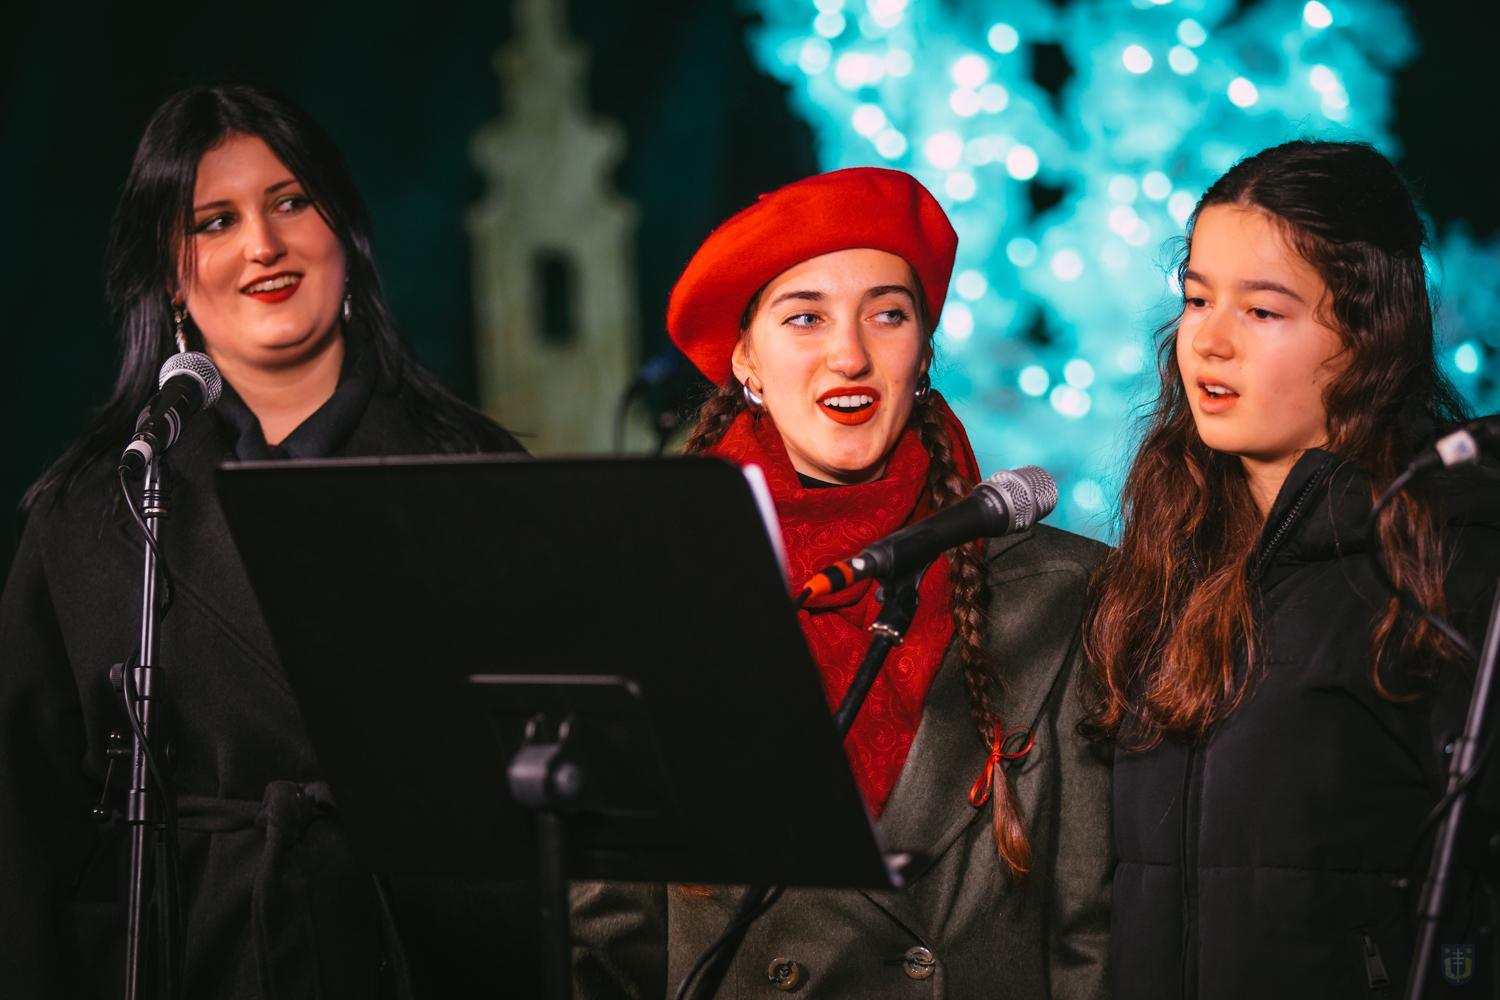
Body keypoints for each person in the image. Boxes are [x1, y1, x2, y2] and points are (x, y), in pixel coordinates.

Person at [0, 84, 527, 998]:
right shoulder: (92, 510)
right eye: (215, 221)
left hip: (435, 958)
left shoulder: (479, 475)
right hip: (188, 952)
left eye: (290, 202)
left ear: (344, 232)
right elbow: (20, 826)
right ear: (170, 276)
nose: (262, 245)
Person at [571, 167, 1112, 998]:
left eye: (887, 315)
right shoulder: (652, 589)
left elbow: (1091, 931)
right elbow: (608, 938)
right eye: (806, 317)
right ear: (746, 359)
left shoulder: (1066, 590)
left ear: (923, 351)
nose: (851, 354)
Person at [1084, 139, 1500, 999]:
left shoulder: (1453, 561)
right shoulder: (1166, 558)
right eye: (1197, 299)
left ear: (1367, 334)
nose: (1211, 342)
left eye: (1263, 312)